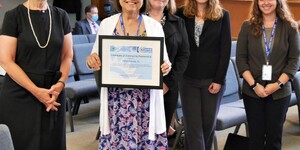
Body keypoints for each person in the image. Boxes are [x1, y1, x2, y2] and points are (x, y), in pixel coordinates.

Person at [86, 0, 172, 149]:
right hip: (116, 100)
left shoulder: (154, 26)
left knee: (145, 141)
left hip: (145, 99)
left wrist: (167, 66)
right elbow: (94, 57)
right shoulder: (106, 24)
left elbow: (165, 61)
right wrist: (91, 60)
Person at [0, 0, 73, 149]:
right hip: (20, 91)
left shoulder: (61, 16)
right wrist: (36, 91)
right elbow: (6, 60)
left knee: (52, 143)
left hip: (53, 91)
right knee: (21, 141)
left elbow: (67, 55)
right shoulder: (13, 16)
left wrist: (61, 84)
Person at [236, 0, 300, 149]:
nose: (266, 3)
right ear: (256, 3)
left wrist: (277, 85)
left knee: (274, 139)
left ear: (278, 2)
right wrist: (254, 85)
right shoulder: (247, 26)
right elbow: (241, 59)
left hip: (280, 92)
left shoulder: (290, 27)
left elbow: (294, 61)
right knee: (255, 139)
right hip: (252, 91)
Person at [176, 0, 232, 149]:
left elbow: (225, 51)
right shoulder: (181, 13)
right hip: (188, 79)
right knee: (193, 128)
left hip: (213, 81)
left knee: (208, 127)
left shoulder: (222, 15)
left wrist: (219, 80)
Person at [146, 0, 190, 139]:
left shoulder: (178, 22)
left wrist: (167, 84)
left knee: (161, 133)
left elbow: (184, 55)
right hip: (141, 86)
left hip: (168, 86)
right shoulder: (138, 20)